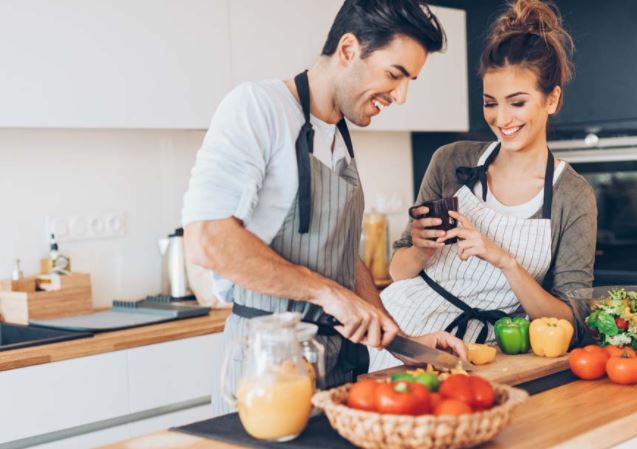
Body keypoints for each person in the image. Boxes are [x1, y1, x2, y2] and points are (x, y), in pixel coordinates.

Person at [181, 0, 467, 413]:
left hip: (338, 367)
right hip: (270, 368)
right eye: (394, 75)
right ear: (349, 50)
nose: (401, 96)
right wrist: (329, 294)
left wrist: (402, 341)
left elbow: (341, 258)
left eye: (410, 81)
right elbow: (206, 240)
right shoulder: (258, 108)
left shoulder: (338, 135)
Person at [370, 0, 597, 371]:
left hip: (488, 350)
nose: (501, 118)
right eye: (490, 103)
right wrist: (422, 249)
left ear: (551, 99)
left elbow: (572, 323)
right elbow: (397, 270)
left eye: (517, 102)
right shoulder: (450, 160)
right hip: (403, 331)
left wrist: (504, 260)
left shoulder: (573, 196)